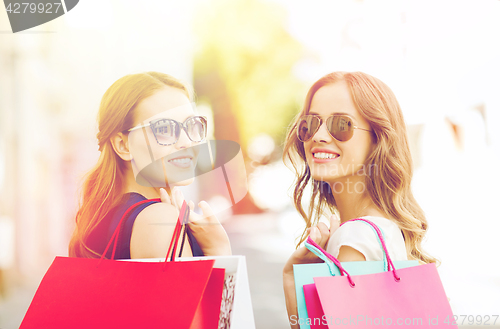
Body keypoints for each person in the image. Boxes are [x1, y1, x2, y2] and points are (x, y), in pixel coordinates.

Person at [282, 71, 437, 327]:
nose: (318, 136)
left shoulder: (355, 238)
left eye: (341, 124)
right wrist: (292, 279)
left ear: (377, 139)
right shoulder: (383, 228)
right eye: (310, 124)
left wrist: (290, 281)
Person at [69, 72, 231, 259]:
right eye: (164, 129)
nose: (186, 141)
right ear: (123, 145)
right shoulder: (158, 219)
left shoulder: (106, 215)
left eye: (191, 125)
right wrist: (219, 250)